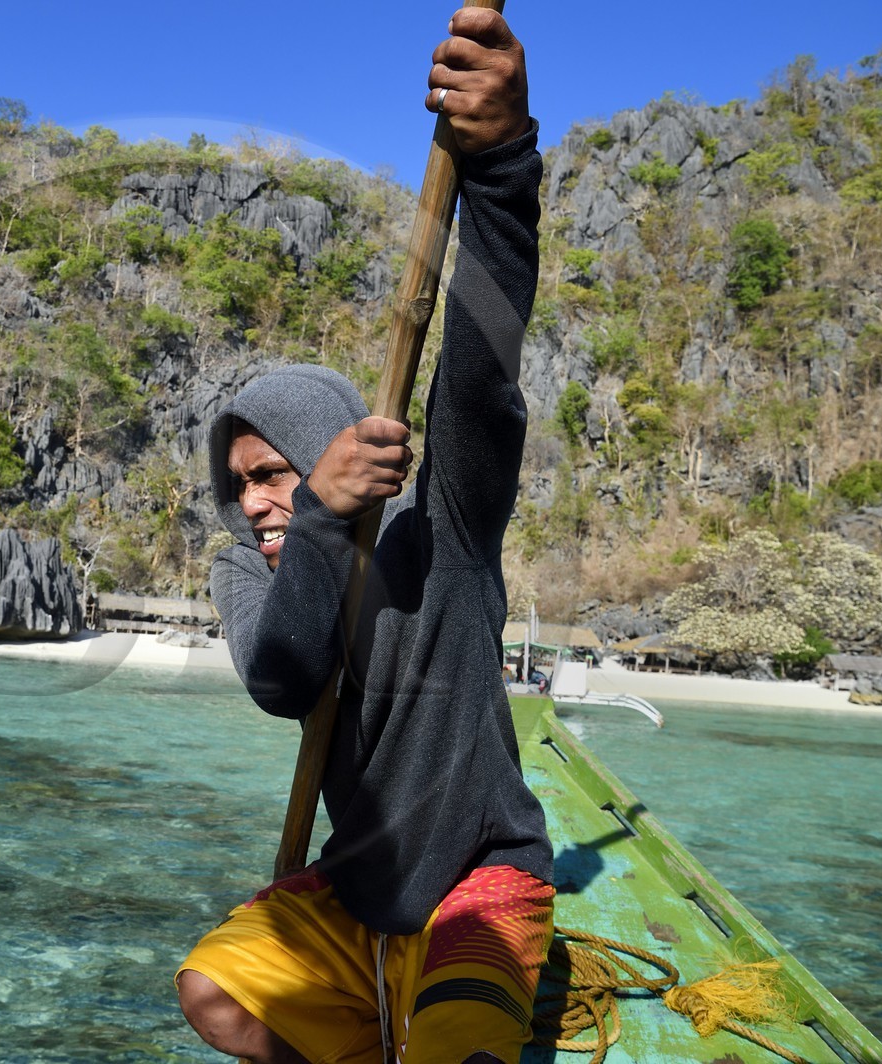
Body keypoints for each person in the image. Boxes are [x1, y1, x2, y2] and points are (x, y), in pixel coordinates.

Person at [176, 10, 554, 1064]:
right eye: (235, 483)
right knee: (211, 989)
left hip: (480, 881)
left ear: (336, 448)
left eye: (270, 474)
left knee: (462, 1049)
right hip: (358, 891)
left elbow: (480, 372)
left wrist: (501, 166)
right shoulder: (248, 577)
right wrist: (316, 520)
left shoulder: (446, 534)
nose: (250, 500)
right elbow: (286, 679)